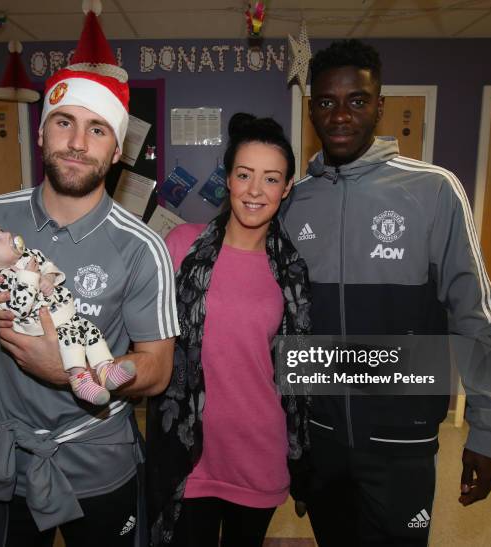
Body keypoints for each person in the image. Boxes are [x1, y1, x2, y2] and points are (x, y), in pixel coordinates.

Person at [0, 9, 178, 547]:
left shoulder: (144, 248)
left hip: (99, 460)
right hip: (6, 463)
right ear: (42, 131)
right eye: (63, 121)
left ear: (117, 151)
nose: (77, 141)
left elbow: (158, 372)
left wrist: (66, 370)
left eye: (97, 130)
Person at [280, 39, 491, 546]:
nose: (341, 115)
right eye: (326, 102)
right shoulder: (294, 202)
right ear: (312, 108)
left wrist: (488, 431)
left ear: (380, 105)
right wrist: (292, 440)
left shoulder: (434, 191)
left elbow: (475, 314)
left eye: (357, 100)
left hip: (401, 439)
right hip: (320, 440)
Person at [146, 113, 311, 547]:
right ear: (228, 179)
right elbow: (145, 339)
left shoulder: (291, 271)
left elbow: (295, 372)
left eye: (271, 179)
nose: (256, 191)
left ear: (287, 188)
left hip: (258, 451)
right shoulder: (181, 245)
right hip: (187, 452)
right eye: (244, 175)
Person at [0, 218, 136, 406]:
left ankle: (104, 368)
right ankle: (80, 380)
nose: (7, 234)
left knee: (90, 330)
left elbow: (49, 267)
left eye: (0, 230)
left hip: (64, 313)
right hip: (39, 328)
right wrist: (29, 277)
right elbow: (20, 308)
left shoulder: (28, 256)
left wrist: (48, 278)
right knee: (72, 339)